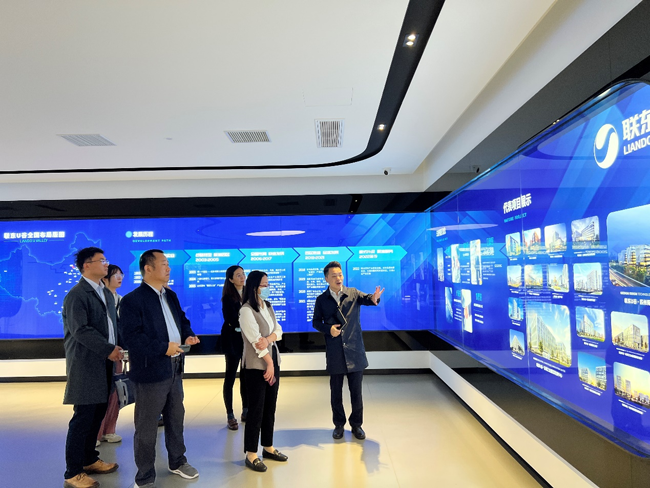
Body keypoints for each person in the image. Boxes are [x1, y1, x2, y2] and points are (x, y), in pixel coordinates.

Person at [119, 249, 201, 488]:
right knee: (146, 426)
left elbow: (181, 320)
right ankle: (145, 476)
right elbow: (133, 338)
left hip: (174, 368)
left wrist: (188, 335)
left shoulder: (170, 295)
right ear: (148, 268)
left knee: (176, 418)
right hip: (150, 372)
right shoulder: (133, 300)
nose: (168, 268)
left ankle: (178, 461)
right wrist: (164, 347)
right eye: (164, 264)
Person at [62, 247, 122, 488]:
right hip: (86, 363)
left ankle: (89, 460)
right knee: (83, 417)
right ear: (86, 265)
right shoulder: (77, 294)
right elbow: (81, 330)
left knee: (98, 412)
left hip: (104, 361)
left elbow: (112, 326)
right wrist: (108, 349)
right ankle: (73, 472)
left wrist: (119, 347)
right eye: (101, 260)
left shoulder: (104, 292)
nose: (106, 264)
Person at [312, 261, 384, 441]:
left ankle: (357, 424)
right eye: (334, 275)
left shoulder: (352, 293)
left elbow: (368, 299)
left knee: (356, 392)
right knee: (336, 392)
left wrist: (374, 298)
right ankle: (338, 424)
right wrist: (329, 329)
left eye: (340, 274)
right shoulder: (321, 300)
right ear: (326, 278)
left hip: (354, 350)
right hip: (335, 351)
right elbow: (316, 322)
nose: (338, 278)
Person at [240, 270, 288, 472]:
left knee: (270, 407)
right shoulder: (246, 310)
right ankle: (251, 453)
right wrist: (269, 363)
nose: (267, 288)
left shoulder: (267, 305)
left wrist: (269, 339)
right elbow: (255, 341)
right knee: (256, 409)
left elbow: (278, 331)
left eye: (268, 285)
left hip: (272, 362)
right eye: (264, 285)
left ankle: (268, 447)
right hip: (256, 366)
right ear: (254, 287)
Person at [96, 265, 125, 446]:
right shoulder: (99, 299)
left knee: (116, 392)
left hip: (118, 352)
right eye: (115, 275)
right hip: (103, 352)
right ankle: (96, 433)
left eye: (121, 274)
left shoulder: (121, 300)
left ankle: (109, 430)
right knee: (100, 393)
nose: (120, 277)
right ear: (105, 279)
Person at [221, 265, 248, 430]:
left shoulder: (250, 294)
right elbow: (231, 319)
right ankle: (230, 414)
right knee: (230, 377)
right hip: (232, 340)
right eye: (238, 275)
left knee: (245, 377)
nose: (242, 277)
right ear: (231, 279)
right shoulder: (227, 298)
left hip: (247, 341)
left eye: (243, 274)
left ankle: (246, 410)